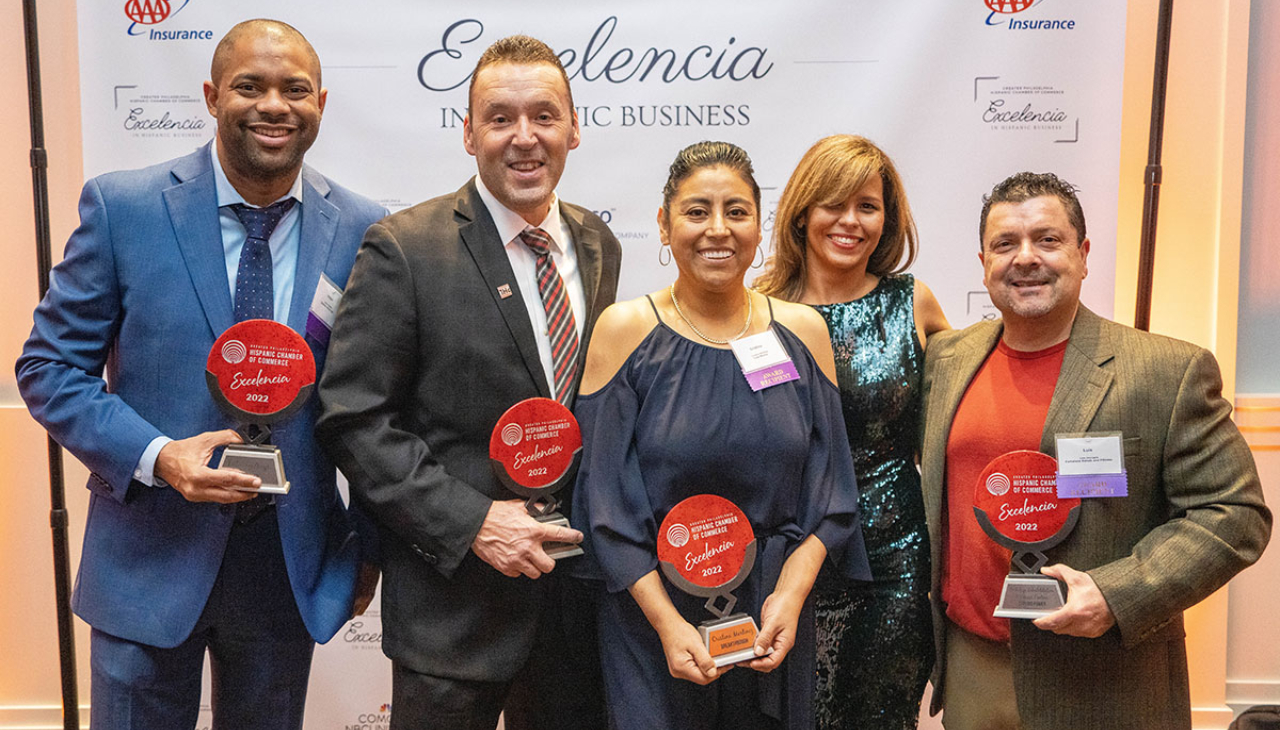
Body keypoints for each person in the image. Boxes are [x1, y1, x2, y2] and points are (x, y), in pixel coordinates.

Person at [15, 19, 384, 730]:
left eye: (294, 89)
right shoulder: (124, 207)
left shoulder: (366, 230)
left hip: (286, 565)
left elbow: (374, 403)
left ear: (321, 105)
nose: (273, 104)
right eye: (250, 86)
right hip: (149, 555)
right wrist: (160, 458)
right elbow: (50, 367)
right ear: (213, 96)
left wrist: (366, 548)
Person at [315, 35, 621, 730]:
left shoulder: (599, 245)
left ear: (575, 127)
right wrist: (475, 522)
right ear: (467, 132)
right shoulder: (405, 246)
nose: (524, 138)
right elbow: (352, 419)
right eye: (500, 117)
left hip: (575, 609)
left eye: (544, 116)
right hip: (454, 616)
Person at [920, 171, 1271, 730]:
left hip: (1103, 676)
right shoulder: (947, 362)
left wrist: (1114, 594)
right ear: (983, 261)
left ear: (1083, 255)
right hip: (972, 664)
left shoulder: (1166, 371)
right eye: (1005, 244)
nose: (1025, 258)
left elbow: (1234, 515)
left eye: (1048, 240)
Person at [571, 140, 872, 730]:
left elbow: (832, 489)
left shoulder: (802, 331)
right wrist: (667, 624)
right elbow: (603, 503)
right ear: (663, 223)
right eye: (696, 211)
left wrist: (790, 596)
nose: (718, 230)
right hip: (655, 620)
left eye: (736, 212)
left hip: (771, 614)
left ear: (760, 226)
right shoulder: (625, 331)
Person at [755, 134, 948, 730]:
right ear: (802, 212)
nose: (850, 221)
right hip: (784, 558)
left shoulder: (911, 303)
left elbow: (951, 429)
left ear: (888, 220)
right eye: (833, 203)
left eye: (868, 205)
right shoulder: (754, 311)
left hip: (893, 561)